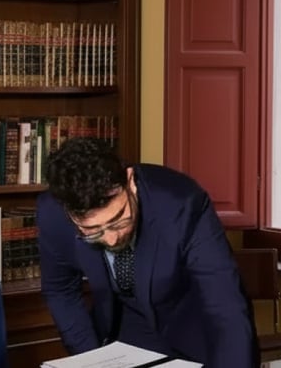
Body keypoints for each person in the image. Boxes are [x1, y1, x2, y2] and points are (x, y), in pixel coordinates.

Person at [35, 137, 258, 367]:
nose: (111, 239)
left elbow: (224, 304)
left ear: (129, 181)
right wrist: (90, 359)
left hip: (192, 329)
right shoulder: (52, 214)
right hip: (124, 332)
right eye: (92, 231)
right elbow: (61, 291)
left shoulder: (181, 203)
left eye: (118, 221)